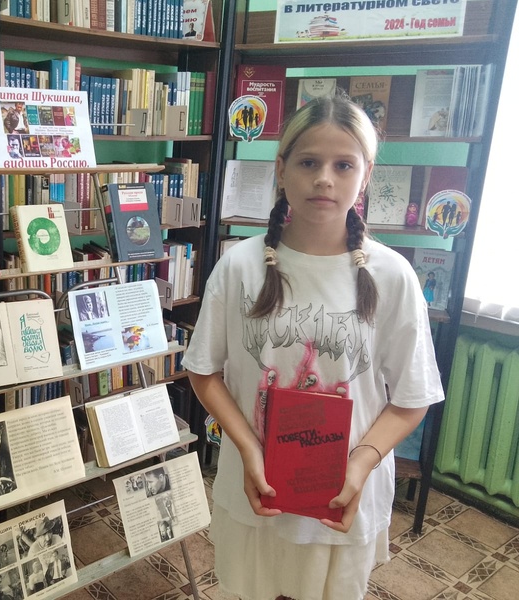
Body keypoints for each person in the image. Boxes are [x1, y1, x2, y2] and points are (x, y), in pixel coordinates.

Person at [181, 95, 444, 600]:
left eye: (344, 165)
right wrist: (250, 449)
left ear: (365, 176)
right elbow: (204, 371)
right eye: (308, 162)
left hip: (344, 493)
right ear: (282, 170)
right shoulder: (239, 267)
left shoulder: (393, 276)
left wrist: (361, 462)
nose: (325, 178)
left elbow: (413, 398)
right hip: (255, 487)